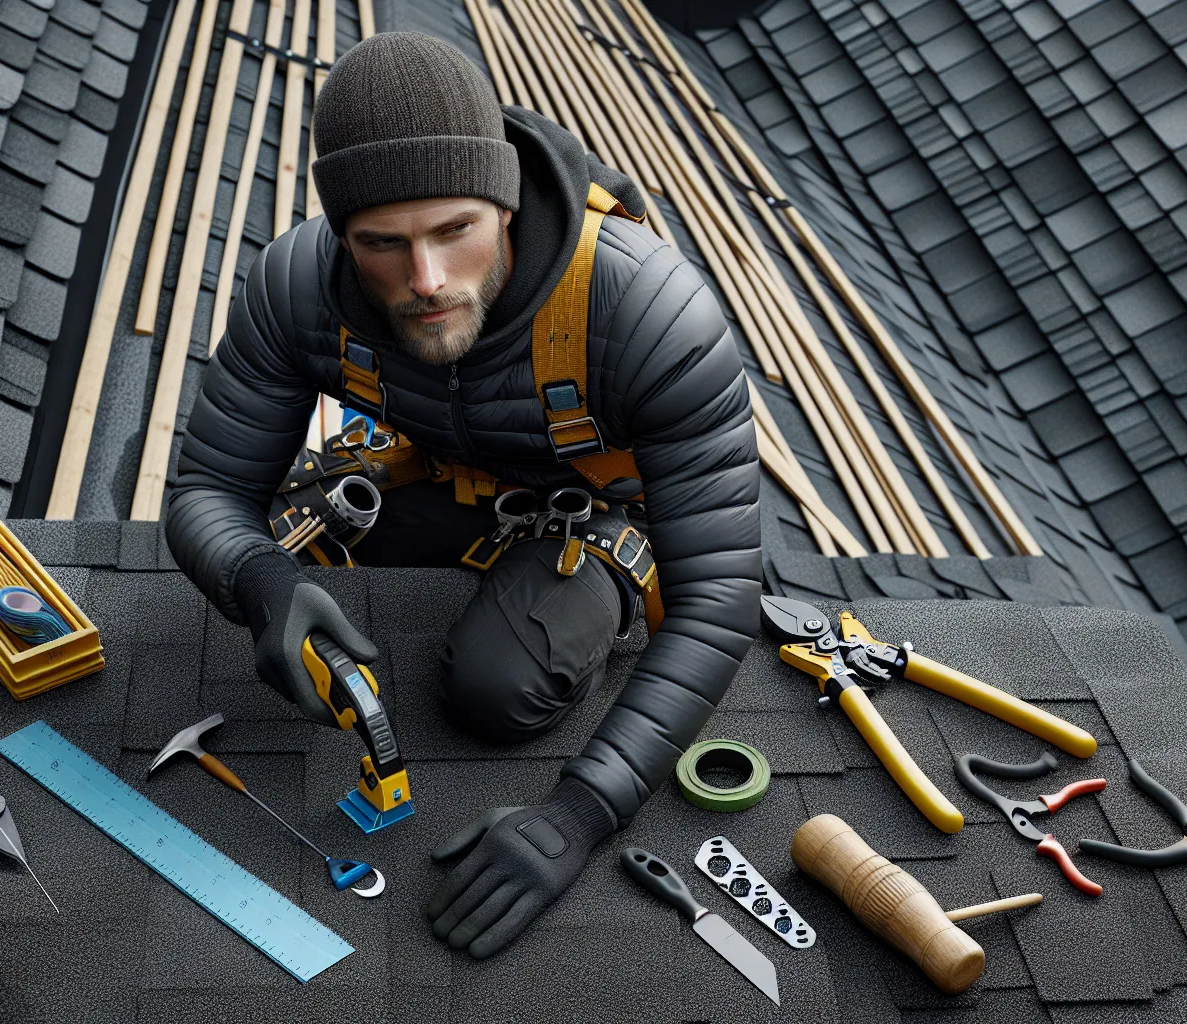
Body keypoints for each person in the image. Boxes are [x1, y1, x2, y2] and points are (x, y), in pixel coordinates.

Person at [166, 31, 763, 958]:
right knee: (287, 546)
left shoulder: (646, 310)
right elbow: (207, 487)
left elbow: (720, 600)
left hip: (594, 508)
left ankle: (594, 595)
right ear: (342, 234)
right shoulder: (297, 285)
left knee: (494, 692)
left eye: (456, 231)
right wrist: (258, 581)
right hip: (435, 472)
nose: (427, 281)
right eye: (383, 244)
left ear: (506, 202)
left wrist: (583, 811)